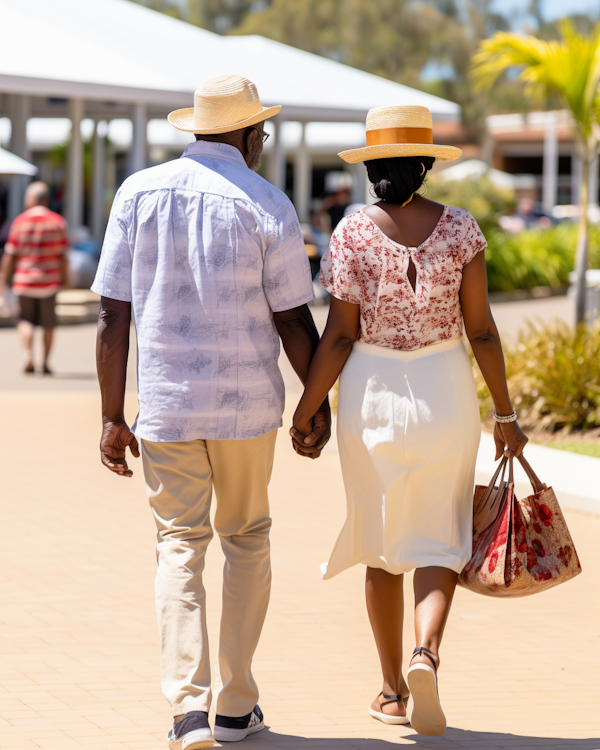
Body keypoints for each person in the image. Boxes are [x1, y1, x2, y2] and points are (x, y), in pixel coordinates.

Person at [92, 74, 331, 750]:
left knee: (178, 545)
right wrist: (314, 404)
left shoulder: (138, 192)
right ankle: (234, 706)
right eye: (262, 132)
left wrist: (113, 414)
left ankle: (188, 712)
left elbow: (114, 312)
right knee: (247, 537)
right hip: (247, 408)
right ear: (253, 135)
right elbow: (292, 318)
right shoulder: (268, 201)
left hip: (166, 407)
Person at [290, 105, 528, 737]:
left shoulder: (349, 233)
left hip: (371, 394)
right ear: (425, 163)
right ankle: (428, 651)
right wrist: (505, 413)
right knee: (438, 535)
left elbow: (339, 336)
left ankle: (392, 690)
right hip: (445, 390)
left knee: (380, 540)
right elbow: (480, 329)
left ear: (371, 166)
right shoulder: (462, 229)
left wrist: (307, 409)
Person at [0, 181, 70, 374]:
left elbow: (10, 255)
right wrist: (67, 280)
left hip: (24, 280)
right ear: (47, 200)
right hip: (49, 281)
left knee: (25, 319)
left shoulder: (20, 222)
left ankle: (27, 355)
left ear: (31, 200)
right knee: (49, 324)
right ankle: (45, 363)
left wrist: (3, 278)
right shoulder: (57, 222)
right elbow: (63, 256)